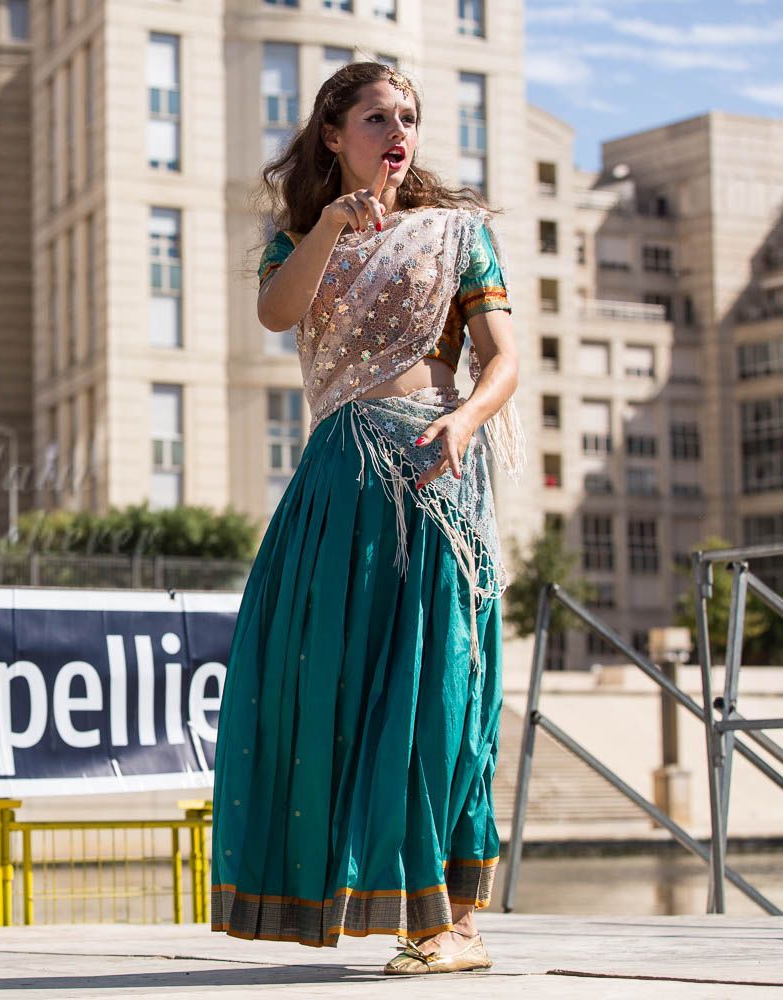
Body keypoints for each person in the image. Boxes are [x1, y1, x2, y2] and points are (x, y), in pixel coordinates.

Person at [209, 62, 522, 975]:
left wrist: (465, 421)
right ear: (333, 134)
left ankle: (454, 922)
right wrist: (331, 228)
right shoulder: (302, 238)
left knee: (439, 684)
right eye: (378, 117)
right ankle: (374, 902)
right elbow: (276, 314)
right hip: (340, 483)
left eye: (409, 118)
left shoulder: (458, 235)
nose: (398, 132)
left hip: (433, 470)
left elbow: (503, 359)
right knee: (322, 683)